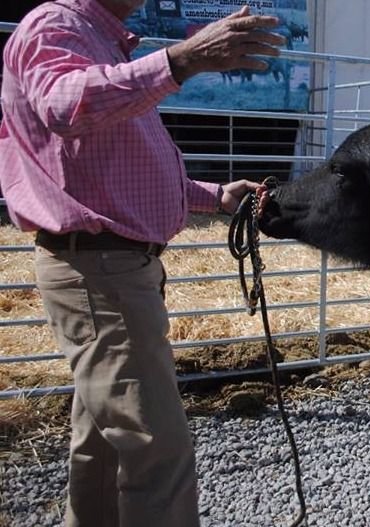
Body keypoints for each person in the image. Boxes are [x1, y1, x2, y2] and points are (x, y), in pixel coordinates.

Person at [0, 1, 285, 525]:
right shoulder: (56, 24)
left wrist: (214, 195)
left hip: (110, 269)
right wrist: (180, 60)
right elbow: (64, 108)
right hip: (102, 272)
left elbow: (117, 169)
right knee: (159, 452)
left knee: (105, 447)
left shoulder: (100, 40)